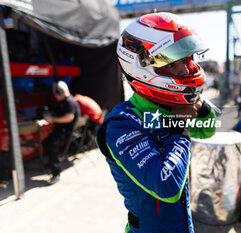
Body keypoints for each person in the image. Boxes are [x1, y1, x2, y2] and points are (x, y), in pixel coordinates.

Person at [96, 12, 217, 233]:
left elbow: (207, 130)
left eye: (188, 59)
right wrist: (180, 124)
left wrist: (199, 104)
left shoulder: (162, 110)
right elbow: (167, 186)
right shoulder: (121, 124)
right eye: (174, 63)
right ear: (140, 66)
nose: (186, 69)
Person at [43, 81, 80, 184]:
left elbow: (69, 118)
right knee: (46, 142)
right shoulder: (66, 102)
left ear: (60, 92)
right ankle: (52, 163)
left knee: (50, 143)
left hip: (65, 133)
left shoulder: (69, 102)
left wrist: (52, 119)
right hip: (64, 132)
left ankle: (56, 173)